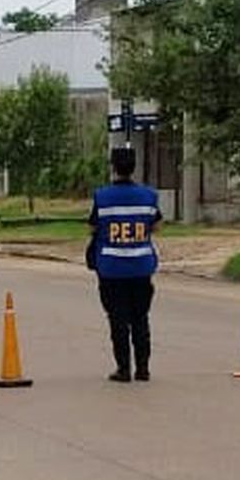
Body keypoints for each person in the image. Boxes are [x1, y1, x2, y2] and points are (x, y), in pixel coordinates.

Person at [88, 146, 161, 382]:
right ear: (134, 167)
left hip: (111, 268)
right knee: (141, 318)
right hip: (141, 267)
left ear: (113, 167)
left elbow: (93, 227)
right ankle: (143, 369)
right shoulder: (149, 196)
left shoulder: (102, 197)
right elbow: (156, 225)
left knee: (118, 320)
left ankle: (123, 369)